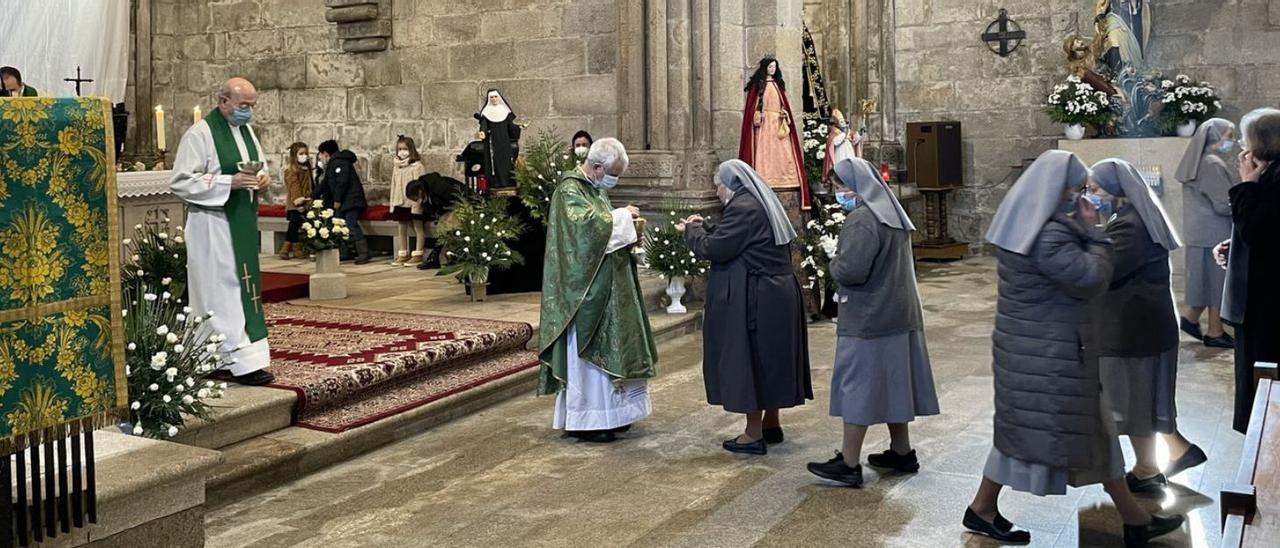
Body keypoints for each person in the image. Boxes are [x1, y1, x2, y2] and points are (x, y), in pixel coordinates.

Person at [963, 150, 1182, 545]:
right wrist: (1095, 231)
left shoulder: (1028, 224)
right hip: (1048, 355)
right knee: (1034, 434)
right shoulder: (1048, 234)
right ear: (1055, 189)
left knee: (1071, 431)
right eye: (1077, 189)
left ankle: (1133, 519)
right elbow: (1090, 278)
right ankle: (983, 508)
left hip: (1039, 350)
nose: (1082, 197)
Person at [805, 158, 939, 487]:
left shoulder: (863, 218)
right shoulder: (891, 213)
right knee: (896, 384)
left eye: (838, 187)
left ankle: (849, 463)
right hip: (899, 313)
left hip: (869, 318)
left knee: (858, 387)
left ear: (856, 187)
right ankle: (901, 451)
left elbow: (851, 270)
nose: (836, 194)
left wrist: (832, 263)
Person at [1090, 158, 1207, 496]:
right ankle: (1167, 457)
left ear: (1115, 189)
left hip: (1136, 331)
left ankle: (1148, 469)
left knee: (1134, 403)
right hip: (1142, 327)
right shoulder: (1124, 216)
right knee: (1142, 401)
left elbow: (1104, 270)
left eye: (1095, 189)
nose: (1090, 194)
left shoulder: (1131, 223)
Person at [679, 159, 812, 456]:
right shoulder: (759, 201)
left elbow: (716, 248)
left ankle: (752, 434)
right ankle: (770, 423)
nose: (716, 191)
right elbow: (737, 236)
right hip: (776, 294)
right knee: (772, 358)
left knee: (752, 357)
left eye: (718, 185)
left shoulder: (743, 207)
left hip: (760, 298)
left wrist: (691, 231)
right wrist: (705, 225)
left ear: (731, 184)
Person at [538, 138, 657, 444]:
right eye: (613, 174)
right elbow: (584, 233)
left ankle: (614, 415)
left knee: (613, 348)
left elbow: (603, 228)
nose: (614, 181)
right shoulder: (569, 190)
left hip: (607, 287)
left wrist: (624, 225)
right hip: (584, 294)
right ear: (596, 166)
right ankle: (586, 420)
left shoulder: (594, 188)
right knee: (589, 357)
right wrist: (621, 217)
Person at [168, 77, 274, 386]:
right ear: (223, 101)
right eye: (243, 106)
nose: (248, 113)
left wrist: (263, 179)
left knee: (241, 289)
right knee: (220, 291)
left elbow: (258, 166)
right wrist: (230, 182)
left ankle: (240, 356)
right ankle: (225, 358)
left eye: (251, 107)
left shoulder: (246, 131)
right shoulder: (200, 134)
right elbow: (181, 181)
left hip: (239, 220)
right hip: (211, 224)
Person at [1223, 111, 1280, 433]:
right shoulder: (1270, 175)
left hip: (1269, 307)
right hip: (1263, 297)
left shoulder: (1271, 180)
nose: (1242, 149)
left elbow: (1259, 231)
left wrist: (1246, 184)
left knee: (1263, 383)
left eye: (1245, 141)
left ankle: (1266, 451)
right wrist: (1234, 250)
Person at [1174, 118, 1236, 348]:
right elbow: (1223, 202)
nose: (1231, 141)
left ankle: (1191, 320)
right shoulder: (1212, 163)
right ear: (1215, 136)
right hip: (1215, 231)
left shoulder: (1200, 161)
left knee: (1206, 282)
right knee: (1217, 283)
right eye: (1228, 136)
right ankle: (1214, 330)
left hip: (1201, 231)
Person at [313, 139, 369, 264]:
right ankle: (345, 251)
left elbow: (342, 182)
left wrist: (337, 199)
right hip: (345, 201)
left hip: (351, 200)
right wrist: (311, 196)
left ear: (326, 153)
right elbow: (325, 184)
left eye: (321, 154)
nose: (320, 157)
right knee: (338, 225)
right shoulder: (333, 164)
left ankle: (363, 252)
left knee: (351, 224)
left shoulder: (340, 162)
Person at [389, 136, 428, 267]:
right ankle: (403, 253)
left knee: (418, 227)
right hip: (399, 201)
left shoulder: (417, 166)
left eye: (405, 149)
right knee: (401, 227)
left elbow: (420, 187)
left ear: (411, 150)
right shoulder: (396, 166)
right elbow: (394, 186)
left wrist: (417, 204)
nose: (402, 152)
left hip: (412, 202)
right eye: (399, 149)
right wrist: (392, 204)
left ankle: (418, 254)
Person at [475, 89, 521, 189]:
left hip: (504, 142)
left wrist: (520, 127)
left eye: (495, 97)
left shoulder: (504, 111)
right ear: (489, 99)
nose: (494, 99)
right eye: (491, 97)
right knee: (494, 162)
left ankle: (508, 183)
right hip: (493, 142)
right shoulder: (486, 113)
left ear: (499, 98)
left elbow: (511, 126)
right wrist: (482, 132)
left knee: (507, 161)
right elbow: (484, 125)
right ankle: (496, 184)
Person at [281, 142, 313, 260]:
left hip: (306, 200)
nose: (304, 156)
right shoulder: (292, 170)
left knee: (296, 225)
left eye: (306, 153)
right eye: (301, 153)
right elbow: (294, 187)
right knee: (294, 225)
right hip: (295, 203)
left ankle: (286, 249)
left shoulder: (306, 168)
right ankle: (294, 249)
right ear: (294, 156)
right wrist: (298, 201)